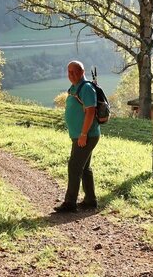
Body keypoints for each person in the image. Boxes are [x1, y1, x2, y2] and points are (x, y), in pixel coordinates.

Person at [53, 60, 100, 213]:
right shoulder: (75, 87)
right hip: (82, 135)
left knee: (74, 166)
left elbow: (91, 111)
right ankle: (90, 200)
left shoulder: (86, 88)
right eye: (69, 72)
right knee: (84, 167)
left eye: (74, 72)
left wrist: (83, 134)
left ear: (82, 72)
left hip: (86, 135)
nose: (71, 75)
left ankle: (70, 203)